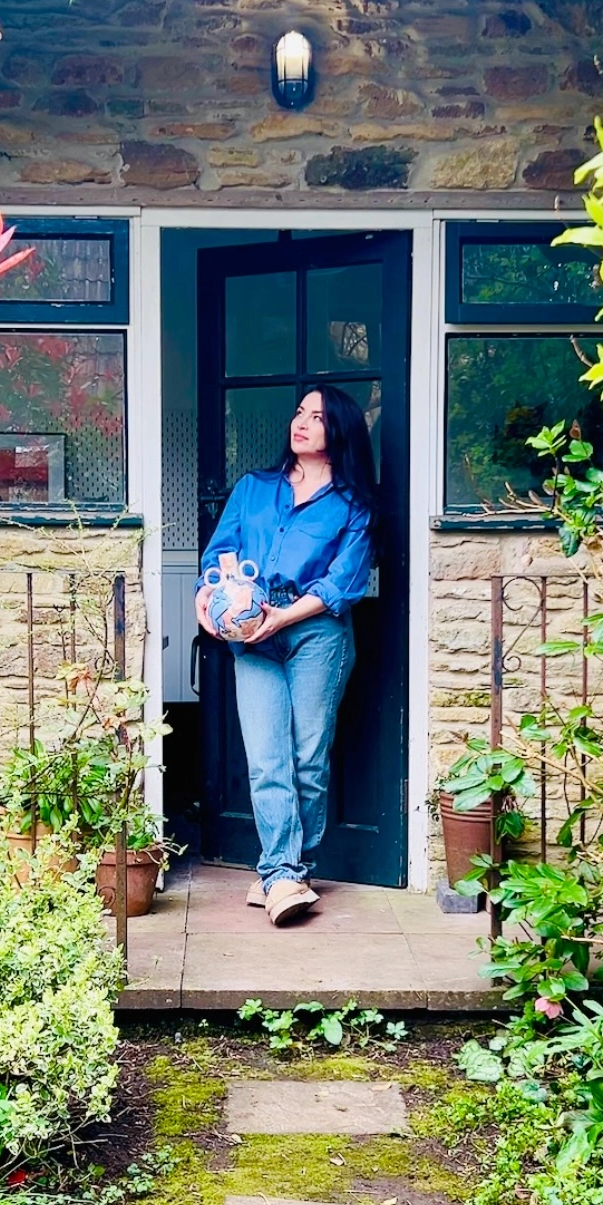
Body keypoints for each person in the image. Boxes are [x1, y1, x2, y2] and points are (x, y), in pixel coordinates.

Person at [196, 383, 377, 926]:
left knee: (308, 758)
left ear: (338, 430)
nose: (301, 422)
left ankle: (285, 869)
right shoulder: (254, 488)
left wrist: (282, 615)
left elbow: (342, 583)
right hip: (250, 634)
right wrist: (208, 599)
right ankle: (281, 876)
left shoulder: (353, 506)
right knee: (267, 757)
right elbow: (218, 554)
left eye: (317, 417)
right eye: (300, 412)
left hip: (316, 634)